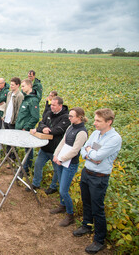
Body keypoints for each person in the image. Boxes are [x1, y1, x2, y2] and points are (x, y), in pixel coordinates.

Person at [73, 108, 122, 254]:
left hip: (99, 178)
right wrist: (90, 154)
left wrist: (90, 152)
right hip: (87, 173)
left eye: (98, 121)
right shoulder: (95, 133)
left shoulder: (114, 138)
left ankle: (99, 240)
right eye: (95, 120)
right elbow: (84, 150)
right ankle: (87, 226)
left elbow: (99, 156)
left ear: (109, 122)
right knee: (86, 202)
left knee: (97, 207)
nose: (94, 123)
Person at [50, 107, 88, 227]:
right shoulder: (70, 127)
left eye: (72, 116)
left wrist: (61, 158)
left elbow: (75, 150)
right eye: (69, 116)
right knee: (61, 184)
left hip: (70, 164)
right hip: (61, 161)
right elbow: (63, 142)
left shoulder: (82, 132)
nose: (69, 118)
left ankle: (70, 214)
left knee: (63, 190)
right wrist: (56, 154)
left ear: (79, 117)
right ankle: (62, 205)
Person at [29, 96, 70, 194]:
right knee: (38, 165)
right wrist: (43, 129)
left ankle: (53, 186)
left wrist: (48, 130)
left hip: (56, 149)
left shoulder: (65, 117)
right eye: (51, 104)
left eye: (54, 105)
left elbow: (59, 130)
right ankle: (36, 183)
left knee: (57, 170)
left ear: (60, 105)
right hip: (44, 147)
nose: (51, 107)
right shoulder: (48, 113)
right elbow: (41, 124)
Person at [15, 79, 40, 175]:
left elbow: (35, 117)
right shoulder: (26, 98)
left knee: (28, 150)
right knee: (26, 149)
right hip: (21, 128)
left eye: (23, 86)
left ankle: (26, 170)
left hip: (26, 130)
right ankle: (24, 168)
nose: (22, 88)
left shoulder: (33, 100)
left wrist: (26, 127)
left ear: (30, 86)